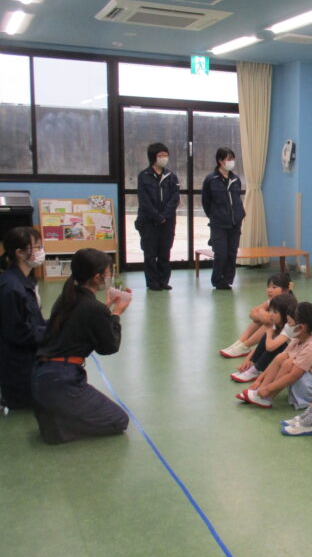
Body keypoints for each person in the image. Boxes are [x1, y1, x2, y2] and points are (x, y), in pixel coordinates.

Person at [31, 248, 132, 444]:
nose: (110, 276)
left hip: (42, 374)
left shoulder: (67, 297)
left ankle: (58, 413)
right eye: (108, 273)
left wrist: (106, 308)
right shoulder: (93, 308)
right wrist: (116, 313)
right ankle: (60, 427)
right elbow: (108, 347)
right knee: (119, 421)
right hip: (61, 380)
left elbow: (84, 321)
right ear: (97, 277)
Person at [240, 302, 312, 409]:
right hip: (303, 381)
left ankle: (268, 396)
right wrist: (259, 382)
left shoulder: (311, 348)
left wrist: (268, 389)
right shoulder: (297, 339)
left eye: (289, 322)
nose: (286, 326)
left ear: (300, 327)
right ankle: (261, 393)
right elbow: (276, 361)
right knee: (281, 357)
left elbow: (293, 376)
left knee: (288, 362)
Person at [0, 227, 47, 410]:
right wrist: (53, 332)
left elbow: (33, 322)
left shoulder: (24, 281)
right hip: (18, 367)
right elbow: (18, 333)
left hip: (29, 358)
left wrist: (59, 322)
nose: (41, 251)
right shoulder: (11, 287)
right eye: (37, 247)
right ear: (19, 252)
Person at [135, 142, 180, 291]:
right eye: (161, 155)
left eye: (166, 155)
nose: (164, 158)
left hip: (167, 221)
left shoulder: (171, 176)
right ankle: (152, 282)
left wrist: (165, 215)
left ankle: (163, 281)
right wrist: (156, 216)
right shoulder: (144, 176)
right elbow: (144, 200)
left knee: (164, 252)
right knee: (150, 253)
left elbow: (175, 198)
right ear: (153, 157)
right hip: (149, 221)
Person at [201, 147, 246, 290]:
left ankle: (227, 280)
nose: (231, 162)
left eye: (233, 159)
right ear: (220, 161)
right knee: (220, 253)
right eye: (228, 159)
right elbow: (206, 202)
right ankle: (217, 280)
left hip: (235, 223)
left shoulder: (235, 179)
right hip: (219, 224)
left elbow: (237, 199)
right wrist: (215, 216)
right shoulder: (211, 179)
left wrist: (239, 215)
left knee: (232, 253)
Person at [220, 272, 293, 358]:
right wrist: (261, 316)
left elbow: (268, 319)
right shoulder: (272, 301)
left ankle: (245, 346)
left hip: (283, 340)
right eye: (268, 287)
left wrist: (262, 313)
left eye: (274, 287)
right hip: (274, 333)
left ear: (285, 290)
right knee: (259, 320)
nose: (269, 290)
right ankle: (240, 343)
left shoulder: (287, 303)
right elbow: (252, 313)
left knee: (268, 323)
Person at [231, 292, 296, 383]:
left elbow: (270, 347)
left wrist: (269, 332)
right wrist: (248, 360)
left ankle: (256, 370)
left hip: (293, 358)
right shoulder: (277, 323)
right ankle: (252, 366)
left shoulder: (288, 328)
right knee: (267, 338)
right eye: (270, 310)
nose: (271, 314)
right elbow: (261, 346)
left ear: (285, 315)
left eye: (275, 312)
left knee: (275, 343)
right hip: (282, 356)